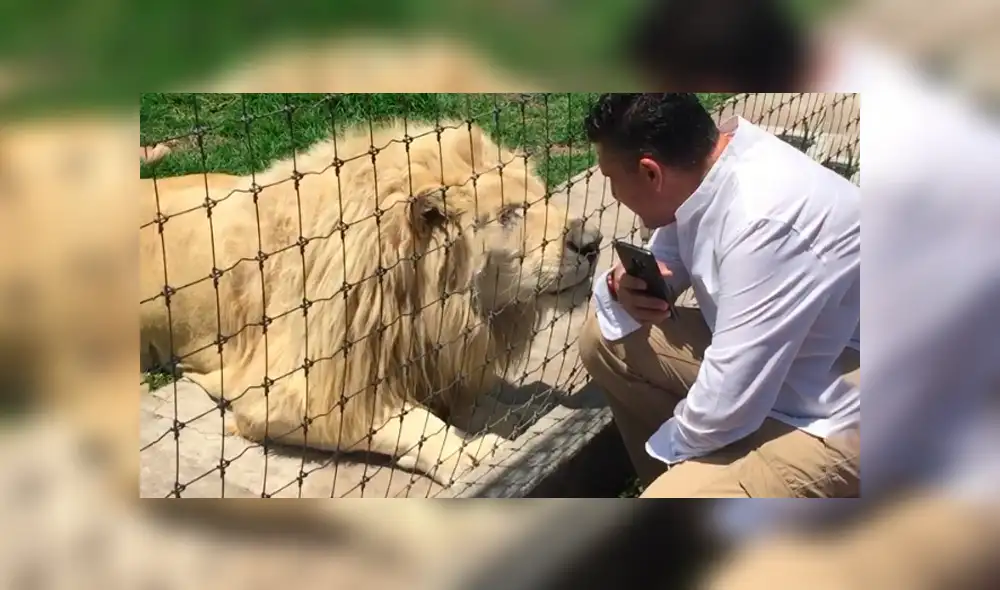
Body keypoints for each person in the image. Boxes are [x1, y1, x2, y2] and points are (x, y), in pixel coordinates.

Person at [578, 93, 861, 498]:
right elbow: (676, 247)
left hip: (849, 411)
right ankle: (696, 479)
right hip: (795, 369)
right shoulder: (716, 165)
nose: (613, 194)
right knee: (606, 339)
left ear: (650, 173)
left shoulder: (761, 221)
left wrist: (676, 447)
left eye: (611, 178)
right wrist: (629, 285)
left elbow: (728, 402)